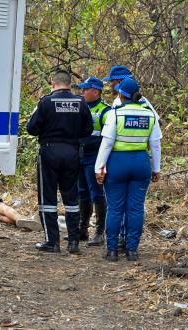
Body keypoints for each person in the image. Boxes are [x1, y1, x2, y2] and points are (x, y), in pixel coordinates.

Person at [94, 78, 162, 262]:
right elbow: (155, 145)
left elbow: (107, 143)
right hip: (141, 163)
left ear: (122, 95)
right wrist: (156, 169)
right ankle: (132, 251)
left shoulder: (115, 115)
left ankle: (112, 251)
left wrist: (99, 168)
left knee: (115, 209)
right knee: (136, 209)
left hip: (117, 163)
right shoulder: (149, 115)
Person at [27, 70, 93, 254]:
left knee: (47, 199)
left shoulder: (46, 102)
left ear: (53, 84)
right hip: (72, 153)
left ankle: (52, 242)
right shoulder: (81, 103)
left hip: (49, 152)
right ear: (70, 84)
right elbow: (89, 128)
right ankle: (73, 243)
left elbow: (31, 128)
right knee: (72, 198)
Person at [75, 76, 110, 246]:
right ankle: (82, 230)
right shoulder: (79, 107)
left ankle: (99, 232)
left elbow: (108, 138)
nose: (81, 92)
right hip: (79, 156)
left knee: (96, 193)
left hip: (95, 158)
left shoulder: (105, 111)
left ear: (96, 92)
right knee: (82, 192)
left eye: (85, 89)